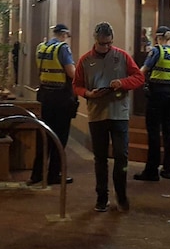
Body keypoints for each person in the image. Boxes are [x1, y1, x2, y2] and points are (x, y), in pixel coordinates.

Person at [73, 22, 145, 212]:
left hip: (119, 114)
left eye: (109, 44)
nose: (106, 47)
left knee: (121, 155)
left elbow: (139, 77)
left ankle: (121, 195)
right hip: (97, 114)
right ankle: (101, 196)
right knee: (100, 158)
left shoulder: (121, 56)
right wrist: (88, 94)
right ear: (96, 40)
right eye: (102, 44)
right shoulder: (85, 60)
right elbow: (77, 85)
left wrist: (122, 82)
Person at [29, 24, 76, 186]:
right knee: (59, 137)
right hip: (60, 97)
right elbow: (71, 73)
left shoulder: (41, 48)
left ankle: (37, 174)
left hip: (44, 95)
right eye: (67, 35)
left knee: (43, 136)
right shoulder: (62, 49)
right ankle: (53, 174)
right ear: (63, 34)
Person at [133, 26, 170, 181]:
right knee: (169, 130)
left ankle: (151, 170)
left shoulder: (157, 51)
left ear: (157, 37)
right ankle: (168, 169)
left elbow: (143, 71)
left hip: (157, 93)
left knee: (154, 131)